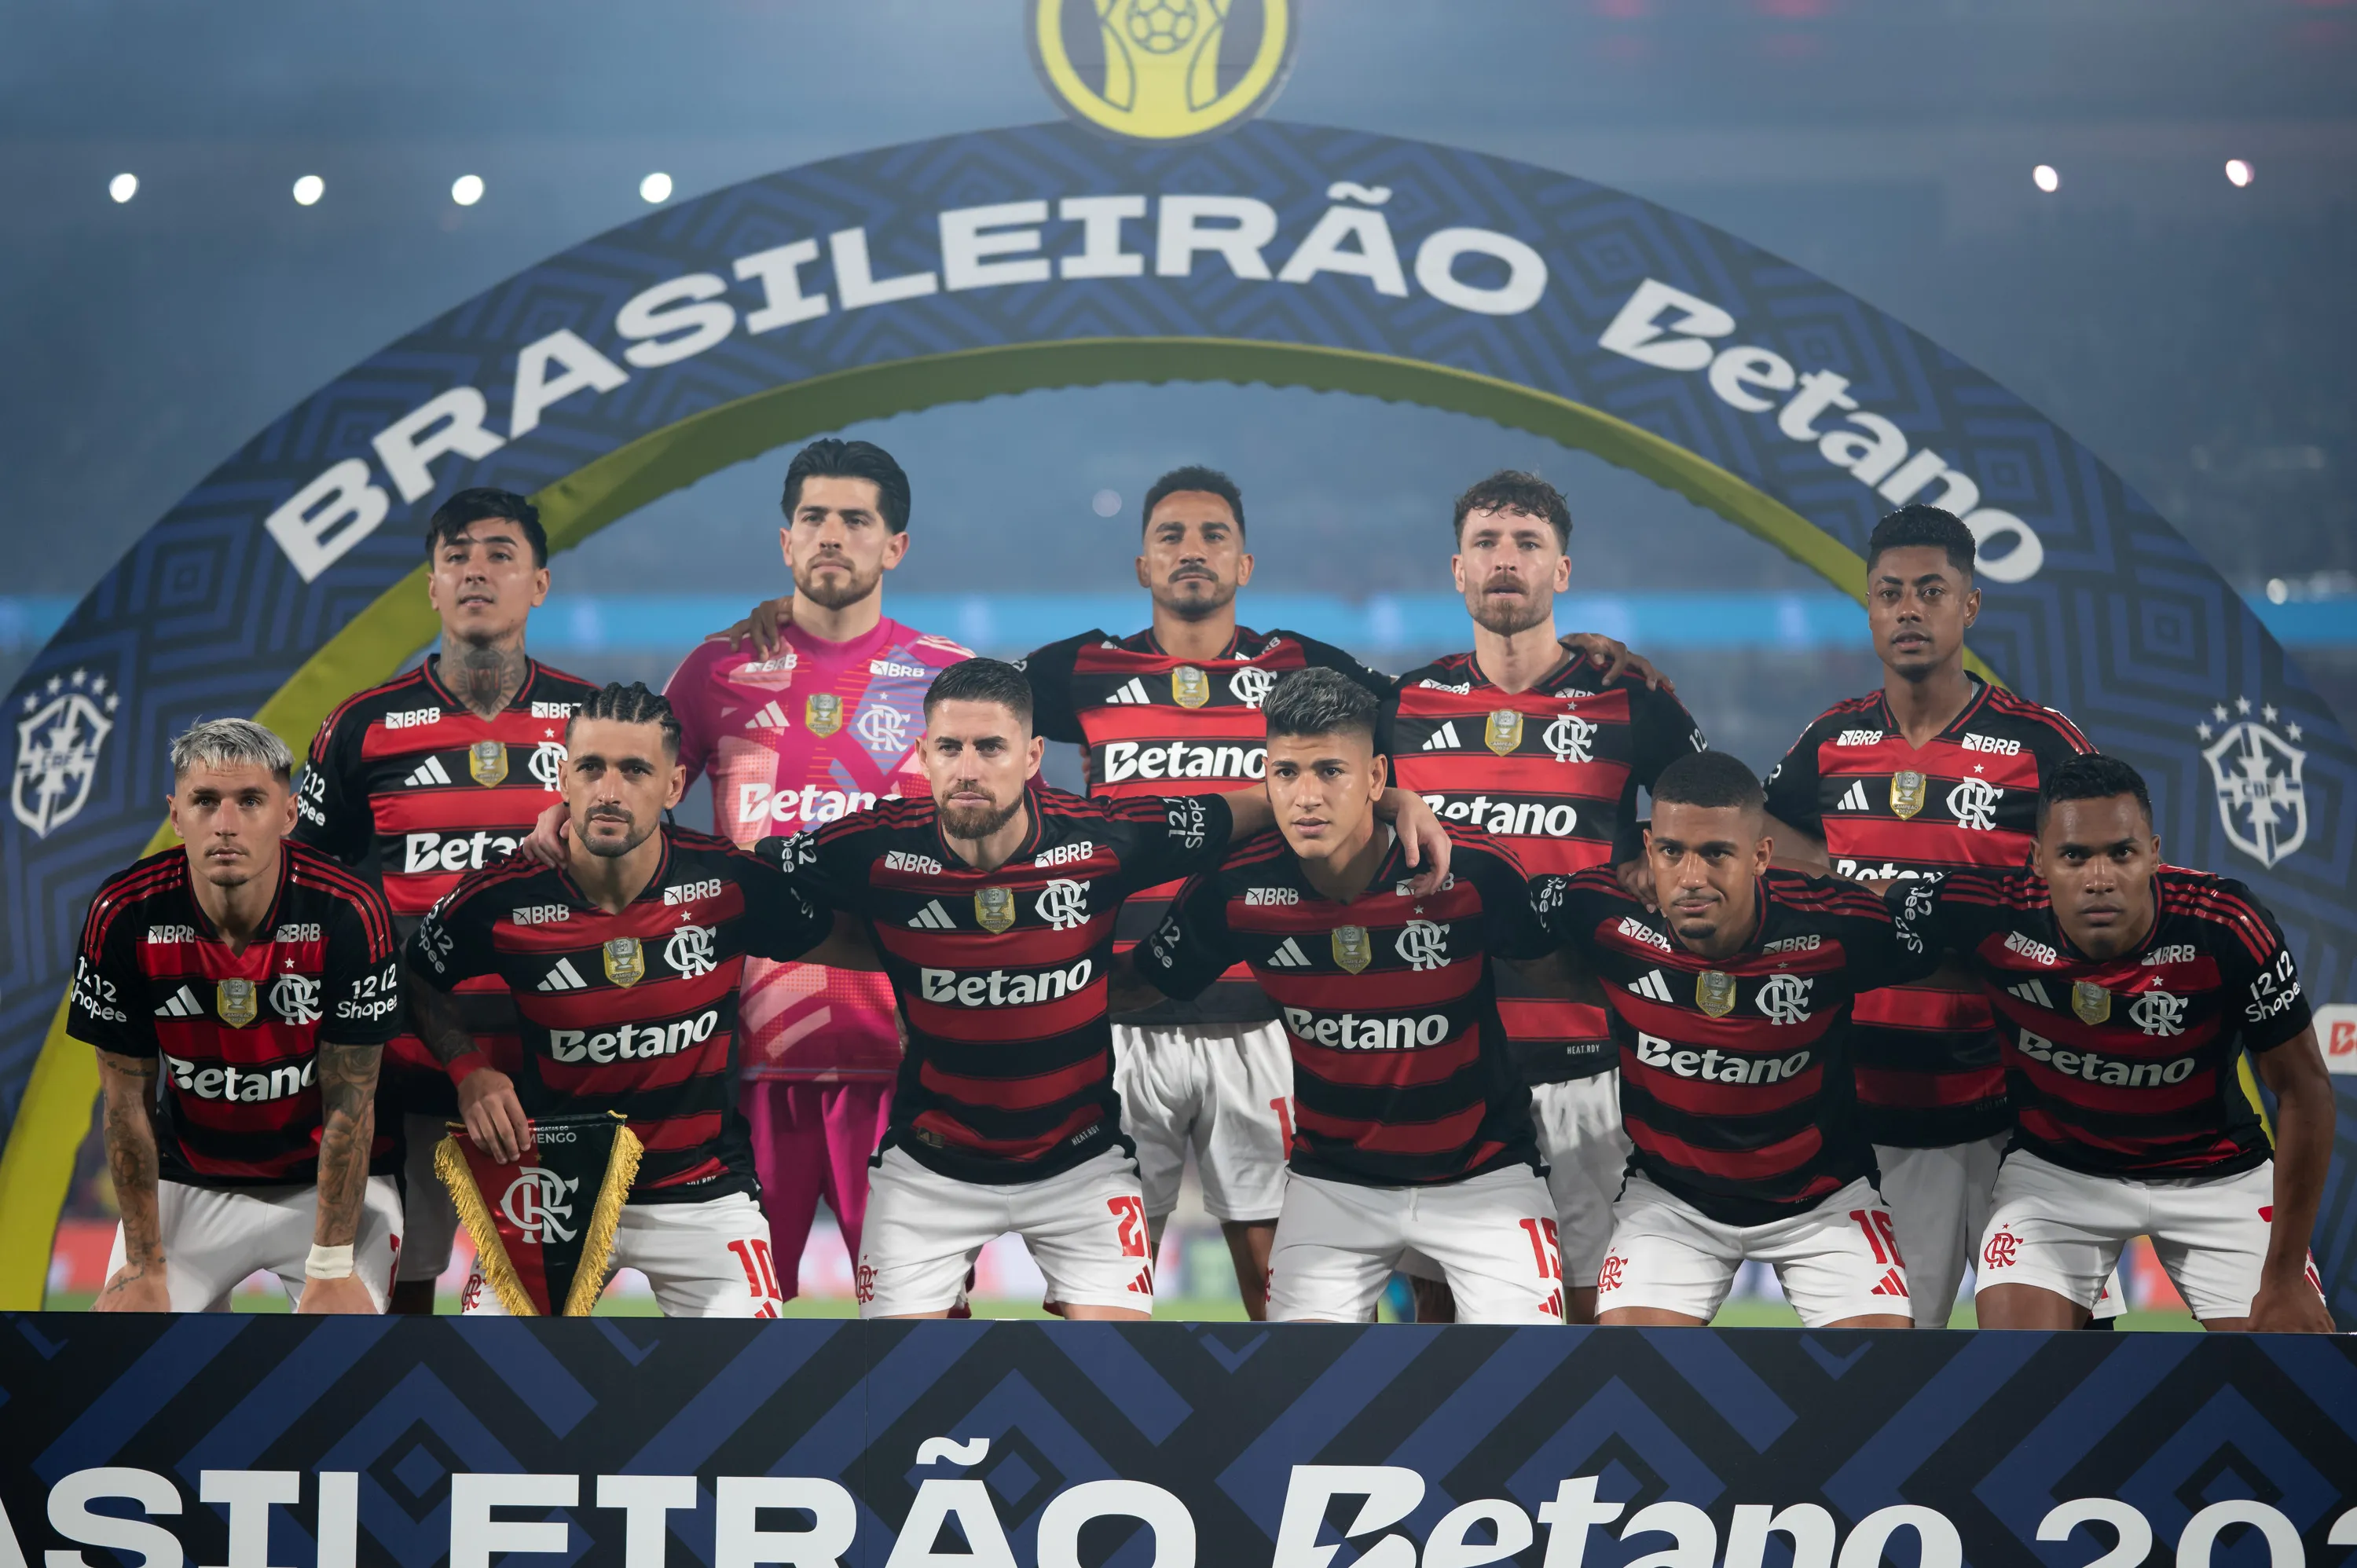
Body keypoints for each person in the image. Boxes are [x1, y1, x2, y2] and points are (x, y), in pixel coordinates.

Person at [759, 658, 1453, 1321]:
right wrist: (885, 949)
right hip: (928, 1169)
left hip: (1081, 1167)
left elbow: (1249, 806)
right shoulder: (865, 847)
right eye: (951, 748)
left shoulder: (1105, 839)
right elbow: (741, 885)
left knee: (1109, 1379)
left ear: (1032, 756)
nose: (968, 770)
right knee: (900, 1384)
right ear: (923, 754)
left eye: (991, 748)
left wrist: (1387, 798)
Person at [405, 683, 872, 1317]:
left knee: (757, 1388)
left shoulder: (731, 884)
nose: (609, 790)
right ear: (563, 778)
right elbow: (409, 978)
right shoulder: (499, 897)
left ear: (675, 787)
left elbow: (859, 942)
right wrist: (468, 1070)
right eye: (591, 768)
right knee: (487, 1388)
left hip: (703, 1194)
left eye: (635, 771)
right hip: (553, 1191)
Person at [1124, 669, 1566, 1323]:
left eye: (1331, 771)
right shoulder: (1236, 888)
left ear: (1377, 779)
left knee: (1532, 1387)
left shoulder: (1470, 874)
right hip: (1333, 1185)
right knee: (1301, 1395)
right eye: (1287, 773)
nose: (1307, 796)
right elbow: (1140, 986)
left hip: (1486, 1177)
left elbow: (1571, 973)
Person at [1761, 503, 2109, 1328]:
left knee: (2058, 1370)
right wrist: (1838, 878)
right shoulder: (1830, 739)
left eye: (1929, 590)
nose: (1908, 609)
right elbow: (1758, 834)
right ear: (1870, 606)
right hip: (1878, 1113)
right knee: (1888, 1384)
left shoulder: (2041, 744)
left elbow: (2104, 891)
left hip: (2021, 1117)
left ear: (1969, 605)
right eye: (1889, 593)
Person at [1384, 469, 1704, 1324]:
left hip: (1583, 1059)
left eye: (1529, 544)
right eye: (1487, 542)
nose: (1506, 559)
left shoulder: (1632, 700)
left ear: (1561, 572)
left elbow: (1711, 833)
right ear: (1457, 568)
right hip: (1439, 1057)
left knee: (1585, 1307)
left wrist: (1653, 866)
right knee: (1439, 1309)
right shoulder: (1399, 704)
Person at [659, 438, 971, 1308]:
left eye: (856, 519)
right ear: (786, 541)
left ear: (894, 545)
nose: (833, 534)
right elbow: (629, 807)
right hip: (749, 1062)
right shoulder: (716, 670)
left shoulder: (949, 679)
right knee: (742, 1328)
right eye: (814, 518)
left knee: (922, 1324)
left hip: (910, 1059)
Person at [1892, 754, 2335, 1332]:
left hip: (2215, 1175)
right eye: (2074, 856)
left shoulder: (2226, 924)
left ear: (2154, 852)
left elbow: (2306, 1092)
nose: (2099, 877)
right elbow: (1854, 913)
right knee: (2016, 1364)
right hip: (2058, 1176)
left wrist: (2281, 1281)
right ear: (2037, 861)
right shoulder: (1987, 911)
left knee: (2292, 1365)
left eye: (2121, 853)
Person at [296, 487, 601, 1314]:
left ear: (539, 583)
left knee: (537, 1313)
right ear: (430, 586)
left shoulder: (595, 727)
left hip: (553, 1072)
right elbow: (306, 900)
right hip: (409, 1064)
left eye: (501, 553)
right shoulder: (361, 726)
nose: (476, 570)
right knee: (405, 1290)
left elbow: (643, 881)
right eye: (455, 555)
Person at [1536, 750, 1939, 1328]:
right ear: (1648, 851)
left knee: (1881, 1385)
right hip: (1671, 1203)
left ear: (1761, 857)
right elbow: (1504, 918)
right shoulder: (1599, 907)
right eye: (1672, 851)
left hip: (1823, 1203)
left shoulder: (1839, 925)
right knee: (1627, 1371)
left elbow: (1954, 947)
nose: (1692, 878)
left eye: (1717, 853)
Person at [69, 719, 401, 1312]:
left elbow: (351, 1105)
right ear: (176, 816)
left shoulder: (349, 910)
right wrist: (144, 1265)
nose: (225, 825)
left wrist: (329, 1266)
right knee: (128, 1355)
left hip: (323, 1189)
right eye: (205, 802)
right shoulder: (122, 912)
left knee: (342, 1356)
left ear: (290, 813)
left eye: (250, 801)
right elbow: (125, 1105)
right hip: (187, 1184)